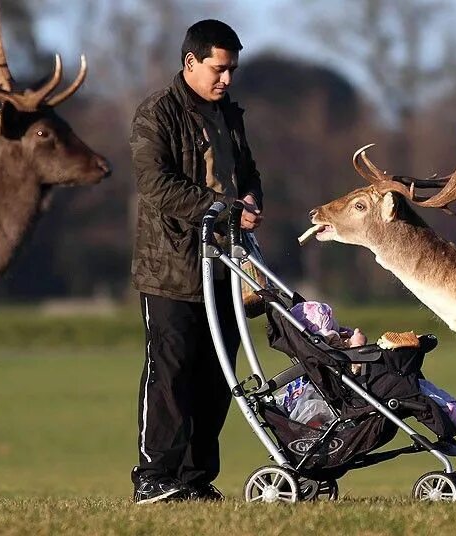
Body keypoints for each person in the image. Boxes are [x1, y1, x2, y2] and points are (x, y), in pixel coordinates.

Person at [130, 19, 263, 504]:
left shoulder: (230, 115)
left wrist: (251, 197)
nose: (227, 80)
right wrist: (223, 209)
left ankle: (193, 478)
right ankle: (154, 478)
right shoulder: (155, 114)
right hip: (169, 272)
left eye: (232, 71)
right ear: (191, 62)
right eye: (219, 69)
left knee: (217, 376)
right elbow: (155, 184)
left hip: (224, 270)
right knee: (171, 374)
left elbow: (247, 171)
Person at [289, 301, 456, 431]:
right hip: (360, 392)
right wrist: (358, 344)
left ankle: (455, 411)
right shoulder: (325, 353)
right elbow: (353, 367)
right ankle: (453, 417)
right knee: (414, 390)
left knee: (418, 383)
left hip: (367, 385)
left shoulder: (324, 350)